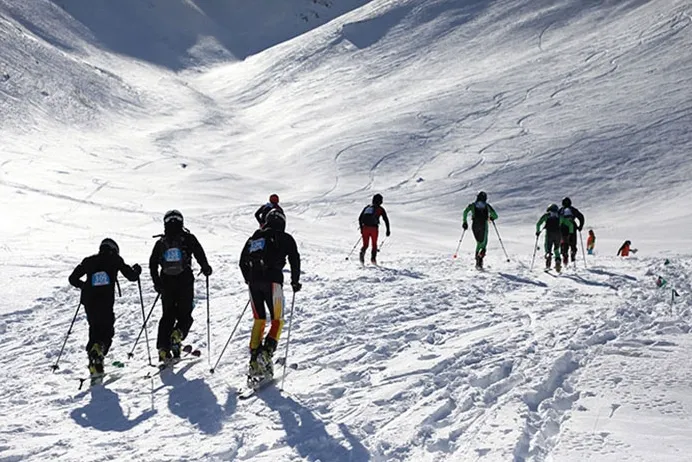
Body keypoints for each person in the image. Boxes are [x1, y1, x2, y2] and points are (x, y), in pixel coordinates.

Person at [239, 209, 301, 383]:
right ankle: (265, 354)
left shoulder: (254, 238)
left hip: (254, 283)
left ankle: (254, 359)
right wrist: (294, 281)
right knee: (277, 320)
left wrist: (248, 279)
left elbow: (242, 261)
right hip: (273, 281)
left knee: (259, 320)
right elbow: (295, 259)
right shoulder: (285, 237)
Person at [68, 238, 141, 376]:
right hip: (105, 301)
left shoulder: (89, 260)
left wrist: (84, 286)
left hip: (90, 302)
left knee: (94, 328)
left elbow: (72, 279)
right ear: (114, 250)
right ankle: (99, 350)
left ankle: (94, 359)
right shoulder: (115, 260)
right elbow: (131, 276)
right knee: (107, 332)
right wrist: (136, 270)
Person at [149, 210, 212, 363]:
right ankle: (177, 334)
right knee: (185, 315)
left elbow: (152, 264)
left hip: (166, 283)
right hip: (184, 280)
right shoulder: (188, 238)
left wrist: (157, 283)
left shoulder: (161, 243)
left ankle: (163, 348)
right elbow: (199, 252)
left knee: (167, 316)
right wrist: (205, 267)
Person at [462, 191, 498, 269]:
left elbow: (465, 212)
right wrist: (491, 218)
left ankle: (477, 260)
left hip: (474, 225)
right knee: (483, 244)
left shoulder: (472, 205)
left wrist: (465, 222)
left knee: (478, 242)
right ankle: (479, 260)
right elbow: (495, 215)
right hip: (484, 226)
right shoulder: (487, 206)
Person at [536, 204, 573, 272]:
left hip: (549, 234)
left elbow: (538, 224)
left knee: (548, 248)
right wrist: (570, 232)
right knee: (556, 249)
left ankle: (548, 261)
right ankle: (558, 262)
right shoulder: (560, 217)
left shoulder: (546, 216)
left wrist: (538, 232)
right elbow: (570, 224)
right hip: (558, 235)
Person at [358, 193, 391, 265]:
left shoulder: (367, 207)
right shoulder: (380, 209)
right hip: (374, 229)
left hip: (365, 228)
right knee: (374, 244)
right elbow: (385, 219)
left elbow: (360, 218)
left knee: (365, 245)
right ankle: (373, 260)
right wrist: (388, 229)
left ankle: (362, 256)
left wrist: (361, 228)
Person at [558, 197, 585, 266]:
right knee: (573, 242)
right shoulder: (573, 210)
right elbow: (581, 217)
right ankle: (573, 253)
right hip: (572, 226)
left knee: (564, 242)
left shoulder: (561, 210)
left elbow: (557, 219)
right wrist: (580, 226)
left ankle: (565, 254)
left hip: (563, 228)